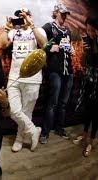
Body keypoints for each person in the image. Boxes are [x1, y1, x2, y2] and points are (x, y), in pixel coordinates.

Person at [0, 8, 47, 152]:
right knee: (14, 111)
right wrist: (6, 27)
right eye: (20, 16)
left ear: (30, 16)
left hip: (33, 78)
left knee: (27, 112)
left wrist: (31, 24)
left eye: (24, 15)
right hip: (14, 77)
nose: (22, 18)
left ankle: (19, 139)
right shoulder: (14, 32)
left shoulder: (38, 30)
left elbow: (44, 45)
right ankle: (33, 130)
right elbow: (3, 45)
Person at [39, 3, 74, 144]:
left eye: (66, 14)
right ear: (56, 12)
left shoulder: (68, 30)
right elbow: (39, 40)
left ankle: (60, 128)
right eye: (62, 13)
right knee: (52, 103)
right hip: (55, 71)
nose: (64, 16)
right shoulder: (49, 27)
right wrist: (48, 47)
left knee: (63, 103)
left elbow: (69, 46)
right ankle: (45, 132)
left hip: (68, 71)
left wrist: (72, 49)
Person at [73, 17, 98, 157]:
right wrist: (83, 51)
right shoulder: (87, 41)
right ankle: (84, 134)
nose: (90, 33)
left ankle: (91, 141)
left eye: (92, 30)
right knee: (88, 108)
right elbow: (83, 63)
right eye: (88, 30)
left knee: (96, 112)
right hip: (89, 78)